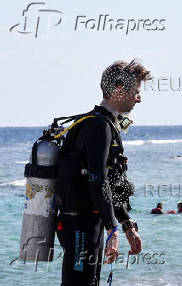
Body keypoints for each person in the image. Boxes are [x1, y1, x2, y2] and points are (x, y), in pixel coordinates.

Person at [56, 59, 149, 285]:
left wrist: (126, 224)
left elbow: (111, 183)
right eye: (136, 92)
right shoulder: (98, 127)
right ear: (119, 90)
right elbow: (97, 180)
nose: (139, 98)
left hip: (89, 224)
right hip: (81, 226)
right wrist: (112, 229)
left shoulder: (104, 124)